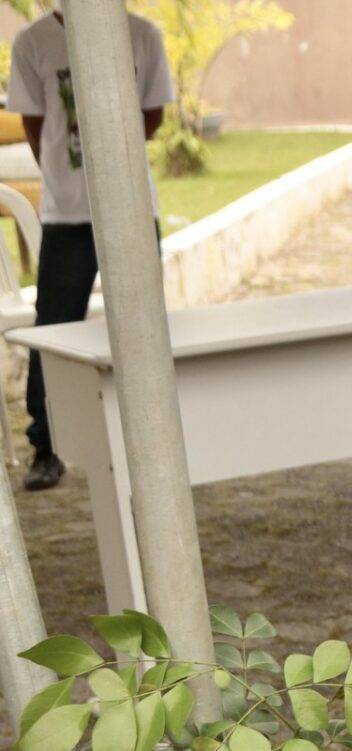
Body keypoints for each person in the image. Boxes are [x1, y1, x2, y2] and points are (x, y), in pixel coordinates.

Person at [8, 2, 171, 493]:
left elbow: (153, 114)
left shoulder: (141, 34)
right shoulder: (32, 42)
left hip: (133, 210)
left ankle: (154, 431)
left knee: (145, 321)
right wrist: (67, 173)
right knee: (54, 327)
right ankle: (46, 445)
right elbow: (34, 124)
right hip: (67, 216)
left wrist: (113, 164)